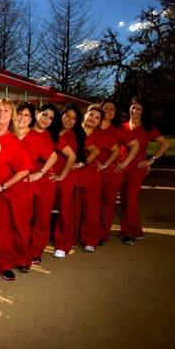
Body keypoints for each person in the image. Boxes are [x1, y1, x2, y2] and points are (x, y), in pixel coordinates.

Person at [0, 99, 31, 281]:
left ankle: (3, 263)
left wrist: (2, 186)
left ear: (12, 117)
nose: (2, 114)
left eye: (6, 111)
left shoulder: (13, 142)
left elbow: (24, 169)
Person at [119, 96, 170, 245]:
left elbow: (165, 144)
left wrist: (151, 160)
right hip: (121, 166)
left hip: (137, 168)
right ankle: (136, 230)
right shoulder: (122, 127)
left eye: (138, 108)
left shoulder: (148, 128)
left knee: (131, 200)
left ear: (143, 112)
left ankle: (127, 233)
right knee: (124, 200)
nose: (134, 110)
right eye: (133, 107)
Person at [16, 103, 59, 265]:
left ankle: (36, 251)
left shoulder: (50, 136)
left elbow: (58, 156)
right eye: (45, 115)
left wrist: (43, 173)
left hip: (44, 181)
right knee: (25, 219)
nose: (47, 119)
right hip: (24, 180)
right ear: (36, 114)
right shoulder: (21, 130)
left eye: (51, 118)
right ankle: (23, 250)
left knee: (41, 218)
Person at [97, 99, 139, 245]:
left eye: (112, 109)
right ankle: (88, 233)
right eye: (105, 108)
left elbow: (135, 145)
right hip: (92, 170)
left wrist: (124, 163)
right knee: (91, 203)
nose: (108, 111)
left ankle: (102, 235)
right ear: (100, 109)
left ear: (115, 113)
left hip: (111, 172)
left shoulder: (119, 129)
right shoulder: (93, 124)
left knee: (107, 204)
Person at [52, 105, 81, 259]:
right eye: (67, 116)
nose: (70, 120)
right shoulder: (51, 130)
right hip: (49, 176)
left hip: (66, 177)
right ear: (61, 115)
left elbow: (77, 156)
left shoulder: (76, 135)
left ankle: (62, 244)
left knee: (65, 211)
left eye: (74, 118)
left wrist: (63, 174)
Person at [73, 105, 103, 252]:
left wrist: (82, 163)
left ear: (99, 122)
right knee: (73, 208)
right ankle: (71, 237)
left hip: (91, 175)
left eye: (97, 118)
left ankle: (90, 240)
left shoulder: (100, 135)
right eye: (91, 115)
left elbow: (113, 149)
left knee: (90, 210)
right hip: (72, 174)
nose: (93, 119)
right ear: (85, 114)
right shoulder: (73, 129)